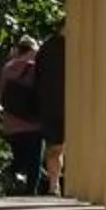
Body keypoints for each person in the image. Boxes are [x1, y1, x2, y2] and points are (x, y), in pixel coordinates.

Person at [0, 34, 42, 192]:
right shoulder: (38, 67)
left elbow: (2, 95)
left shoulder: (8, 68)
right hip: (34, 122)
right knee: (34, 161)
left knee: (19, 158)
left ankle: (8, 174)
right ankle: (31, 191)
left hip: (12, 122)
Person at [34, 26, 66, 196]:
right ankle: (54, 185)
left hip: (53, 104)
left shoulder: (46, 48)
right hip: (55, 105)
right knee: (55, 148)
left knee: (56, 148)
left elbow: (37, 76)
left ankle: (56, 185)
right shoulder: (48, 48)